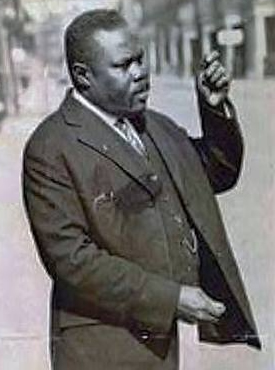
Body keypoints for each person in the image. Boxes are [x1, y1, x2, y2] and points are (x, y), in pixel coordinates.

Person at [22, 9, 261, 370]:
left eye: (140, 59)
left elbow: (215, 175)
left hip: (159, 347)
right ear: (83, 76)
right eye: (123, 65)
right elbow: (73, 261)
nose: (140, 73)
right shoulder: (51, 147)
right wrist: (172, 299)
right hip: (100, 350)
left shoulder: (154, 126)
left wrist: (213, 111)